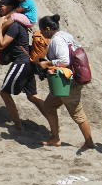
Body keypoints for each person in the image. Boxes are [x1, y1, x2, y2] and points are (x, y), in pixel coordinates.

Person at [36, 15, 95, 148]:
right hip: (64, 82)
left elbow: (64, 61)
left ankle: (89, 142)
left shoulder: (57, 40)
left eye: (42, 30)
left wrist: (47, 63)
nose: (41, 33)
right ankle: (55, 138)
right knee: (48, 107)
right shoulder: (65, 35)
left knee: (77, 113)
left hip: (67, 83)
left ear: (47, 29)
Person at [0, 0, 45, 130]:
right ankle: (54, 123)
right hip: (27, 62)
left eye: (1, 6)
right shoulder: (17, 24)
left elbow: (1, 45)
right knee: (32, 96)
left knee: (4, 93)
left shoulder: (14, 25)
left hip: (21, 62)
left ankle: (18, 126)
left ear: (9, 8)